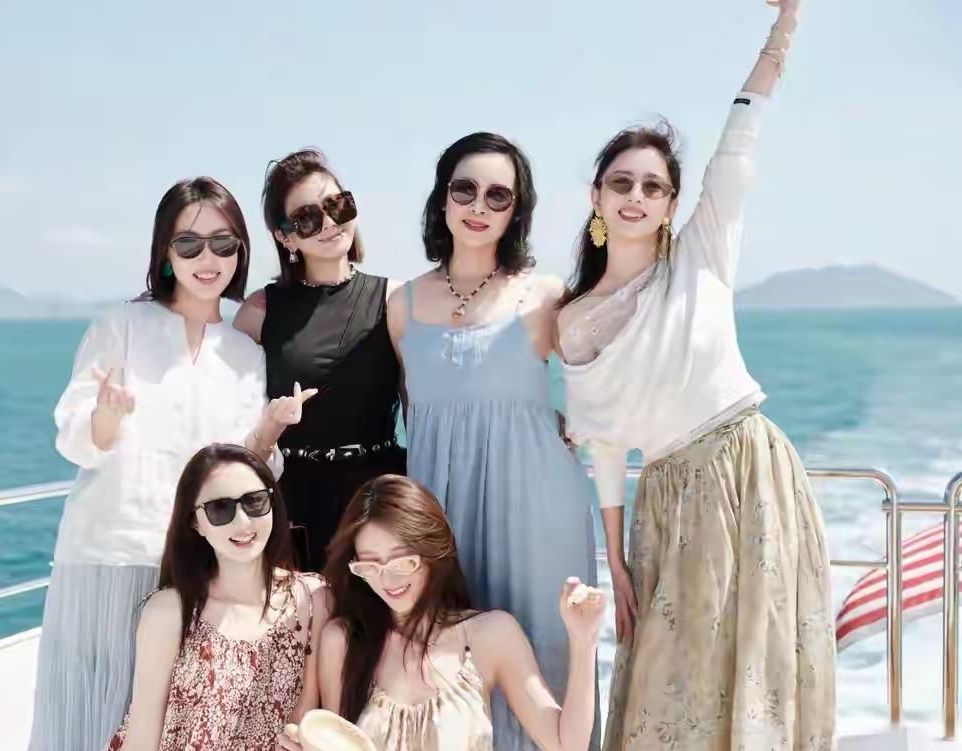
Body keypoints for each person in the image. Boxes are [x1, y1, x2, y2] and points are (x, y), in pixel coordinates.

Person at [557, 2, 834, 747]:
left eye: (653, 187)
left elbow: (740, 137)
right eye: (622, 183)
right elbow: (603, 444)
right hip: (667, 498)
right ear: (596, 197)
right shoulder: (575, 320)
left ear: (673, 203)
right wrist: (614, 561)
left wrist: (785, 26)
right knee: (669, 686)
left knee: (758, 670)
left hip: (752, 472)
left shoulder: (703, 249)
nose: (636, 197)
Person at [29, 177, 313, 750]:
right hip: (111, 555)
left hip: (194, 565)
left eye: (223, 244)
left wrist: (267, 434)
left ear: (240, 251)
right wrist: (106, 416)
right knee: (88, 717)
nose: (208, 259)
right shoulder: (120, 326)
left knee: (170, 725)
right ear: (165, 252)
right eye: (189, 244)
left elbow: (237, 467)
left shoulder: (244, 353)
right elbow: (75, 434)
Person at [386, 132, 599, 748]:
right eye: (465, 189)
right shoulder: (401, 304)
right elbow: (414, 409)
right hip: (440, 511)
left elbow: (601, 382)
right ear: (442, 198)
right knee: (445, 665)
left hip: (536, 508)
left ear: (516, 210)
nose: (479, 206)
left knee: (546, 653)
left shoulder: (545, 295)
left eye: (498, 195)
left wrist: (576, 428)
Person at [310, 474, 605, 751]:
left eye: (402, 561)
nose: (387, 580)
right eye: (370, 566)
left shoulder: (491, 634)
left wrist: (584, 639)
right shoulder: (343, 642)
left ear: (432, 551)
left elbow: (567, 745)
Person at [236, 149, 406, 572]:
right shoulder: (258, 313)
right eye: (308, 217)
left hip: (377, 503)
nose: (329, 222)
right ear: (285, 237)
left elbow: (423, 409)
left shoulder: (394, 299)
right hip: (290, 504)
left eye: (337, 205)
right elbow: (228, 414)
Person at [105, 444, 329, 750]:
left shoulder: (312, 598)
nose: (243, 522)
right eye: (220, 509)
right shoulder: (170, 611)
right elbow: (142, 738)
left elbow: (308, 720)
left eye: (255, 501)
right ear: (195, 523)